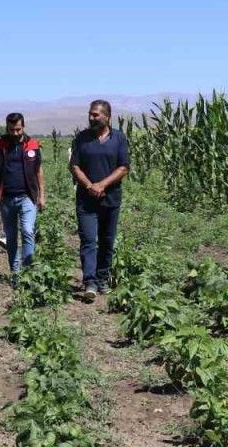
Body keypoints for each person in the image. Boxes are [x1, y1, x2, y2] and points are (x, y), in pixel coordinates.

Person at [69, 99, 130, 302]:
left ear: (107, 116)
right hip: (86, 200)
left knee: (107, 241)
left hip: (110, 199)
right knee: (88, 240)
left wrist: (102, 185)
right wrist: (89, 186)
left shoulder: (119, 138)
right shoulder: (82, 138)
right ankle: (90, 282)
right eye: (90, 114)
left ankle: (103, 278)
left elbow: (123, 167)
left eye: (96, 114)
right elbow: (74, 166)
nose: (91, 117)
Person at [0, 113, 44, 287]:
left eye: (18, 129)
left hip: (28, 196)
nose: (15, 133)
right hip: (6, 198)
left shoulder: (32, 145)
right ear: (7, 128)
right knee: (11, 237)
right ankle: (16, 273)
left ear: (23, 127)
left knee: (27, 231)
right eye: (11, 129)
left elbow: (39, 171)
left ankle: (28, 272)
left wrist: (42, 195)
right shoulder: (0, 144)